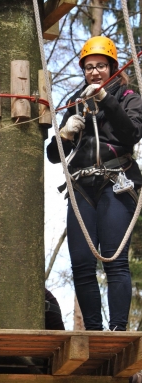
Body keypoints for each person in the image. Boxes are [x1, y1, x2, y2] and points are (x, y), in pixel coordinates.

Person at [47, 36, 142, 331]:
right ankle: (91, 330)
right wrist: (63, 134)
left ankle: (117, 329)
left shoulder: (128, 96)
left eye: (101, 66)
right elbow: (53, 156)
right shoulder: (78, 102)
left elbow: (132, 133)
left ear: (112, 66)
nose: (95, 72)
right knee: (82, 265)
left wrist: (106, 100)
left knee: (114, 261)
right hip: (81, 187)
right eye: (89, 68)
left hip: (115, 182)